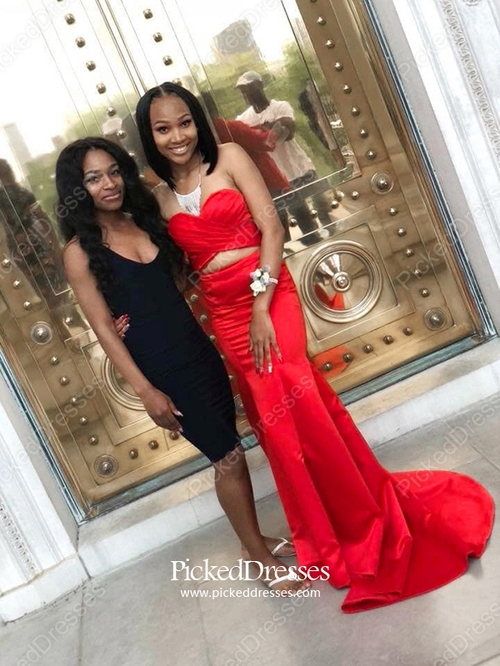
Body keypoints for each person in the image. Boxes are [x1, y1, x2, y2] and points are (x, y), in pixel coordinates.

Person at [134, 81, 494, 613]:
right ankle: (322, 536)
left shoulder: (229, 157)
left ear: (197, 122)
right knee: (277, 429)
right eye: (163, 128)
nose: (177, 136)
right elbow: (174, 268)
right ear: (150, 136)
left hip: (268, 294)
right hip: (225, 315)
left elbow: (272, 230)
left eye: (184, 122)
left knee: (296, 392)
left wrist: (261, 305)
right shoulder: (160, 197)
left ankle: (362, 524)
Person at [55, 137, 309, 594]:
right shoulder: (78, 252)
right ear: (77, 188)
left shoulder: (144, 221)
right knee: (227, 457)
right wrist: (146, 391)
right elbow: (104, 330)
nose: (109, 184)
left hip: (198, 349)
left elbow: (179, 280)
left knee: (231, 447)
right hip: (162, 367)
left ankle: (254, 541)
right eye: (93, 178)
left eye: (113, 172)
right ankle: (258, 557)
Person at [235, 71, 327, 243]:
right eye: (243, 91)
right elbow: (247, 141)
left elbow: (288, 131)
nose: (246, 94)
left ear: (260, 86)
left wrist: (257, 131)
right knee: (289, 220)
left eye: (249, 88)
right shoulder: (243, 119)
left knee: (322, 204)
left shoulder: (280, 106)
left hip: (299, 167)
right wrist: (270, 128)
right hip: (276, 178)